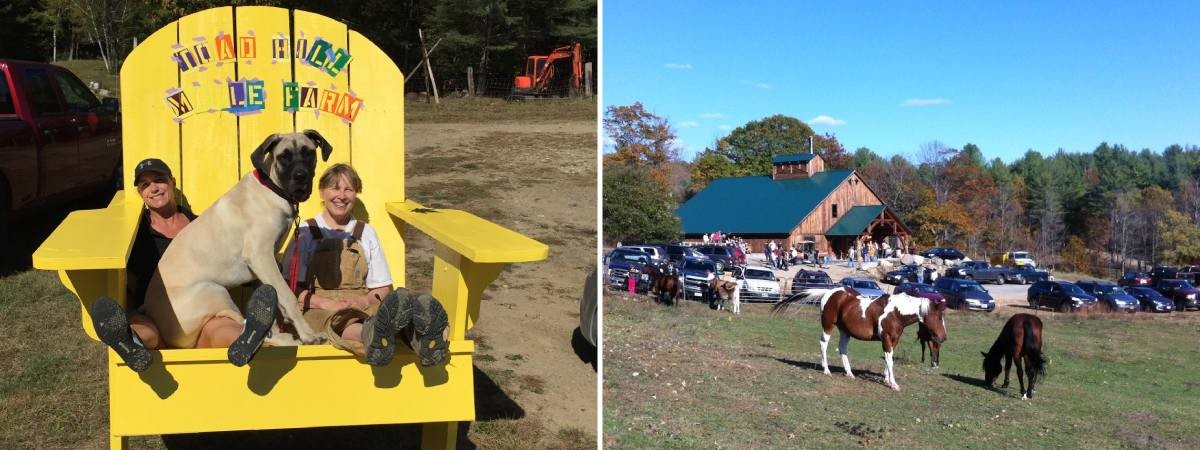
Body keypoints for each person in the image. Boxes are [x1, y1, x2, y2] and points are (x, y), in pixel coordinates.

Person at [90, 159, 277, 372]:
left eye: (159, 180)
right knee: (145, 328)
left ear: (172, 182)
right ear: (140, 193)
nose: (154, 188)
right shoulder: (136, 236)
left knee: (220, 327)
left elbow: (233, 259)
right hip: (157, 314)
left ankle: (246, 339)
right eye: (145, 185)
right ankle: (131, 342)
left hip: (203, 312)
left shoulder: (202, 225)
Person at [283, 163, 449, 366]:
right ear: (322, 192)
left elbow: (381, 286)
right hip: (318, 305)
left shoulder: (366, 232)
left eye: (348, 189)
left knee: (380, 313)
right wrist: (326, 303)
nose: (341, 196)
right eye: (335, 188)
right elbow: (290, 287)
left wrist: (363, 302)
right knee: (340, 322)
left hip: (361, 301)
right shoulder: (306, 231)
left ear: (356, 194)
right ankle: (372, 334)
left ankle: (422, 336)